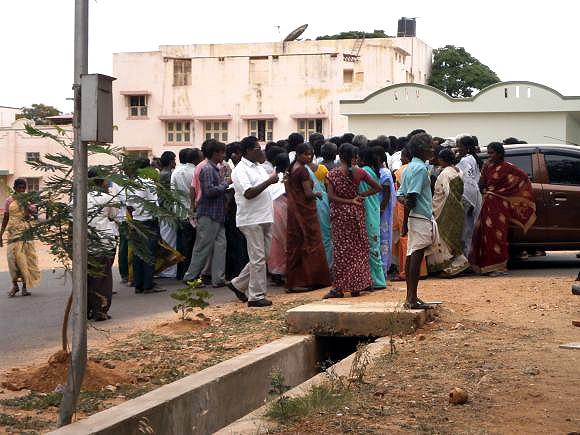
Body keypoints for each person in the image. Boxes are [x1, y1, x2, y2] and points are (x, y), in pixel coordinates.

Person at [469, 142, 536, 276]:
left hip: (500, 206)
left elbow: (523, 178)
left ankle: (498, 266)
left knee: (498, 236)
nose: (489, 155)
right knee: (484, 235)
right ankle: (485, 266)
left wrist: (511, 195)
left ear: (499, 153)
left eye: (492, 153)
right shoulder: (487, 166)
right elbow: (481, 184)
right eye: (488, 152)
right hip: (487, 204)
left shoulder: (508, 168)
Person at [324, 143, 381, 299]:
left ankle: (339, 288)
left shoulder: (332, 174)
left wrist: (348, 201)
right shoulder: (360, 172)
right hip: (356, 213)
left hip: (340, 215)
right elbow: (378, 188)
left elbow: (331, 197)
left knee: (342, 252)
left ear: (340, 156)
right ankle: (357, 285)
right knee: (358, 249)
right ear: (354, 157)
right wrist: (361, 196)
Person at [228, 136, 279, 307]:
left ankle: (238, 284)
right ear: (248, 151)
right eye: (257, 148)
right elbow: (248, 193)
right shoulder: (240, 170)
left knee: (263, 256)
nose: (260, 151)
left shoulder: (259, 167)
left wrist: (272, 180)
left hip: (264, 215)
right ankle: (256, 296)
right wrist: (269, 181)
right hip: (251, 219)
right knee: (257, 256)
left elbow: (265, 187)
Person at [285, 143, 331, 292]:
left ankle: (297, 281)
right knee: (310, 244)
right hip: (305, 214)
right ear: (298, 154)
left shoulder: (292, 168)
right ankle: (308, 280)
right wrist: (318, 193)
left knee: (297, 244)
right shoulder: (303, 171)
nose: (309, 157)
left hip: (295, 211)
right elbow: (307, 193)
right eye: (306, 154)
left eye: (310, 154)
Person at [183, 141, 229, 287]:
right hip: (209, 213)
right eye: (222, 152)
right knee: (203, 247)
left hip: (216, 213)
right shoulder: (208, 169)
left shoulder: (213, 168)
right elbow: (209, 191)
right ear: (215, 153)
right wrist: (226, 184)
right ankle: (190, 277)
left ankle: (218, 278)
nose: (223, 155)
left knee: (221, 245)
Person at [397, 133, 436, 309]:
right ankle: (412, 298)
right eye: (430, 146)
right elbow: (412, 197)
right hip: (419, 215)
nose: (433, 149)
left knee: (411, 253)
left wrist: (406, 222)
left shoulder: (409, 167)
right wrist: (406, 221)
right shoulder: (420, 169)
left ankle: (410, 297)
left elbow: (401, 195)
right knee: (416, 255)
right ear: (421, 149)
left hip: (414, 216)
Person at [427, 149, 470, 277]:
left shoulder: (445, 174)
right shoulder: (458, 171)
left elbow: (445, 194)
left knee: (443, 239)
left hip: (444, 209)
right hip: (457, 208)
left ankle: (452, 267)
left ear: (443, 159)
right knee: (453, 239)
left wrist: (436, 210)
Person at [127, 160, 163, 294]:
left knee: (138, 254)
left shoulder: (131, 183)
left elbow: (129, 205)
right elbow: (154, 205)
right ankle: (148, 285)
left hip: (136, 221)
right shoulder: (148, 183)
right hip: (148, 221)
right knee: (149, 254)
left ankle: (138, 284)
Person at [0, 178, 40, 297]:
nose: (22, 190)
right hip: (12, 233)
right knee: (12, 259)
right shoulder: (8, 200)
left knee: (25, 259)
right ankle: (15, 285)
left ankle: (24, 287)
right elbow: (6, 217)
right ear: (15, 188)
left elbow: (33, 214)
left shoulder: (29, 199)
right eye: (19, 188)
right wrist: (1, 234)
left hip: (25, 234)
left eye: (24, 188)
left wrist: (26, 204)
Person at [87, 168, 118, 321]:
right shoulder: (107, 198)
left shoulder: (77, 198)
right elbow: (113, 215)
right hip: (104, 241)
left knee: (86, 277)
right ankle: (100, 310)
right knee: (103, 278)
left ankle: (86, 309)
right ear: (102, 181)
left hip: (85, 243)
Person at [358, 146, 387, 289]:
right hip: (373, 210)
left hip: (368, 211)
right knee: (373, 245)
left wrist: (361, 195)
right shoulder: (372, 170)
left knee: (371, 245)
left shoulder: (364, 172)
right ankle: (375, 278)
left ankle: (377, 281)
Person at [171, 148, 202, 280]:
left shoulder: (176, 171)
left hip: (178, 210)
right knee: (192, 245)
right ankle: (190, 274)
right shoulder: (195, 172)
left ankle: (180, 272)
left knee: (181, 244)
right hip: (191, 212)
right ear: (195, 159)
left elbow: (172, 191)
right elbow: (196, 192)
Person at [224, 142, 249, 280]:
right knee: (236, 242)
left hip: (238, 209)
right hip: (234, 209)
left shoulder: (240, 167)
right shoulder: (234, 169)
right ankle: (236, 271)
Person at [456, 135, 483, 257]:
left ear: (465, 147)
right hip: (475, 195)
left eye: (459, 146)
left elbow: (467, 181)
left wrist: (464, 200)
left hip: (468, 196)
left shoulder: (464, 161)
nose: (458, 148)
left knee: (465, 231)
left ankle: (467, 259)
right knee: (471, 230)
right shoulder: (473, 158)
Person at [266, 149, 289, 285]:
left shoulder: (271, 175)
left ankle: (275, 271)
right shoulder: (285, 177)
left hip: (271, 209)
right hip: (283, 208)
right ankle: (283, 270)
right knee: (284, 239)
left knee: (275, 241)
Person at [375, 146, 396, 281]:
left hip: (383, 211)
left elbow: (387, 194)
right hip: (379, 209)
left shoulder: (384, 173)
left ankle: (383, 269)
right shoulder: (380, 172)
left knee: (384, 239)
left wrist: (381, 209)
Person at [157, 151, 177, 278]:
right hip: (167, 211)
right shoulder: (167, 175)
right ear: (170, 161)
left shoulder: (164, 174)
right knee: (169, 241)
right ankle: (167, 270)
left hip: (164, 210)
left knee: (167, 239)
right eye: (174, 160)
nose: (175, 162)